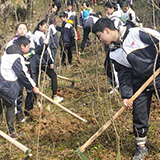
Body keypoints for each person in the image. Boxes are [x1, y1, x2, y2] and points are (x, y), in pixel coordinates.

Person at [93, 17, 160, 160]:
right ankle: (141, 147)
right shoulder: (114, 53)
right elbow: (124, 75)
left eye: (99, 36)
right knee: (139, 114)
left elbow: (158, 40)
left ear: (106, 30)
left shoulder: (136, 33)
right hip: (140, 84)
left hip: (158, 75)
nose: (100, 40)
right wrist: (126, 95)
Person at [0, 36, 40, 138]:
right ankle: (11, 132)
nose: (28, 49)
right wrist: (33, 86)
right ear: (22, 46)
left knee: (4, 106)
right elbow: (22, 74)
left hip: (2, 82)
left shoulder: (5, 55)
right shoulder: (17, 57)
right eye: (28, 47)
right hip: (7, 84)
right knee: (10, 106)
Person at [5, 23, 36, 121]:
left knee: (30, 91)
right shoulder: (12, 43)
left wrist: (28, 55)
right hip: (15, 71)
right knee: (18, 93)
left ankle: (29, 111)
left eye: (24, 28)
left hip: (28, 67)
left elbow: (34, 51)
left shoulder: (30, 40)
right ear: (16, 31)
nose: (22, 30)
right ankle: (17, 114)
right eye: (20, 28)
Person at [33, 19, 63, 102]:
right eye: (45, 27)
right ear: (40, 26)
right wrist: (50, 61)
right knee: (53, 76)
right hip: (42, 61)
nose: (46, 29)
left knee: (36, 80)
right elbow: (44, 50)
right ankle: (55, 96)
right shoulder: (40, 35)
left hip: (38, 61)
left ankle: (36, 100)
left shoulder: (35, 34)